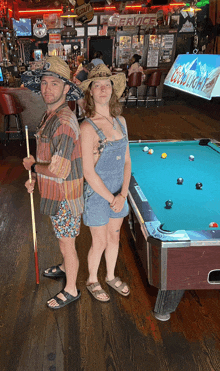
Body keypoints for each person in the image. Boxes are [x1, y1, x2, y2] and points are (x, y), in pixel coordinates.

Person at [21, 56, 84, 309]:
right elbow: (48, 157)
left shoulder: (64, 122)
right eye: (44, 83)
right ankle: (63, 266)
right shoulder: (49, 116)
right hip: (53, 192)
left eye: (55, 84)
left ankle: (71, 289)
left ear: (67, 88)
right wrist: (35, 178)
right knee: (62, 239)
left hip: (65, 195)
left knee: (67, 243)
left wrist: (33, 166)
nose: (48, 89)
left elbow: (59, 170)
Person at [79, 64, 131, 301]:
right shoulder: (87, 128)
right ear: (90, 92)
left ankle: (110, 276)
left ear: (112, 89)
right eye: (96, 85)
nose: (102, 89)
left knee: (114, 237)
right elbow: (88, 173)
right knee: (98, 241)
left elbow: (127, 162)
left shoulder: (121, 121)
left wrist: (123, 194)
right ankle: (92, 279)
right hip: (99, 195)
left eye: (106, 85)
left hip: (118, 194)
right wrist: (112, 199)